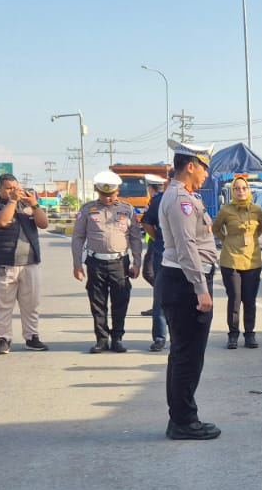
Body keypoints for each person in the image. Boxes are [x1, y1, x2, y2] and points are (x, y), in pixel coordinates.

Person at [158, 140, 222, 441]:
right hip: (185, 283)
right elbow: (186, 247)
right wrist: (201, 289)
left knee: (183, 354)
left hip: (182, 280)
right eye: (205, 168)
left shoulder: (182, 196)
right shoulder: (181, 199)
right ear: (191, 166)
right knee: (187, 356)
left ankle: (182, 417)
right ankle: (184, 420)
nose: (207, 174)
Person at [73, 171, 143, 354]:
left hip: (120, 263)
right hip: (95, 262)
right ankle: (101, 339)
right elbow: (78, 237)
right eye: (104, 195)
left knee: (120, 301)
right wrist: (77, 264)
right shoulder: (87, 210)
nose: (108, 198)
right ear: (97, 191)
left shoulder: (127, 210)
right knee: (97, 302)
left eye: (111, 194)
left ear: (117, 191)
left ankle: (117, 338)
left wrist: (137, 262)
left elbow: (135, 237)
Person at [0, 174, 51, 355]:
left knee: (31, 304)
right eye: (8, 188)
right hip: (3, 264)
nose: (13, 191)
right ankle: (4, 338)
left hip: (29, 263)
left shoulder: (26, 208)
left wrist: (34, 204)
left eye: (15, 187)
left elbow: (44, 224)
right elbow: (1, 221)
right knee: (3, 304)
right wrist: (12, 202)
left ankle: (32, 337)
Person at [213, 175, 262, 349]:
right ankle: (233, 334)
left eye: (244, 188)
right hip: (231, 260)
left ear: (248, 190)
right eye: (237, 188)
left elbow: (260, 228)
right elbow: (215, 228)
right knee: (235, 299)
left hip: (252, 260)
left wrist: (251, 241)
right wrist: (227, 240)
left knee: (250, 300)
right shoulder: (226, 210)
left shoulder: (256, 209)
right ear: (232, 191)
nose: (241, 191)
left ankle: (250, 334)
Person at [140, 175, 169, 351]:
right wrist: (158, 239)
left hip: (184, 257)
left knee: (181, 301)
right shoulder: (158, 201)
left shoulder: (192, 199)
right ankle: (159, 337)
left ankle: (179, 337)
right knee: (160, 298)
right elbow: (146, 222)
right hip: (162, 253)